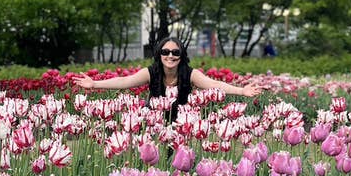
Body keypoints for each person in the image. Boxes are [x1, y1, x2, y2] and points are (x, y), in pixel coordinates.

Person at [73, 36, 262, 121]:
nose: (170, 56)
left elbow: (213, 85)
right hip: (154, 121)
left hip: (181, 122)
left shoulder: (190, 74)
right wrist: (94, 83)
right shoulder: (151, 72)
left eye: (175, 52)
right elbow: (124, 81)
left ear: (181, 55)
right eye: (165, 51)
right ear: (159, 54)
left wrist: (242, 91)